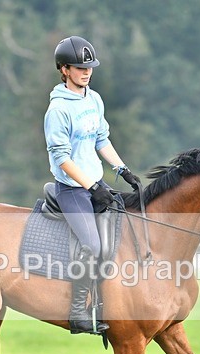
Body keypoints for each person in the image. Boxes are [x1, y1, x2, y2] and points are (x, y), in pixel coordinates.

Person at [44, 35, 141, 336]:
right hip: (72, 190)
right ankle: (77, 313)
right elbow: (61, 158)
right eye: (78, 67)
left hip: (94, 182)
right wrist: (90, 185)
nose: (86, 72)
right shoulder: (58, 110)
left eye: (89, 67)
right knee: (92, 245)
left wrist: (122, 168)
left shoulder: (94, 99)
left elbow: (101, 139)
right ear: (64, 70)